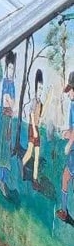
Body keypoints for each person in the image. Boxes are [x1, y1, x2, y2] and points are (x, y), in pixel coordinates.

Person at [0, 52, 16, 197]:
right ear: (6, 68)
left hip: (9, 120)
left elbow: (11, 101)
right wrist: (12, 105)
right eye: (9, 68)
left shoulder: (13, 84)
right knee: (3, 148)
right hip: (5, 118)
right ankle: (1, 180)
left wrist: (12, 105)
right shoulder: (6, 83)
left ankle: (3, 180)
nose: (11, 71)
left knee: (7, 149)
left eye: (13, 69)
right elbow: (7, 99)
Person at [21, 69, 44, 189]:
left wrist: (40, 122)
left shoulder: (41, 102)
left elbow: (39, 117)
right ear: (35, 88)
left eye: (42, 88)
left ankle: (35, 180)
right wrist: (34, 129)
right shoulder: (34, 101)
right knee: (29, 153)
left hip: (37, 129)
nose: (40, 90)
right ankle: (22, 164)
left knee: (37, 156)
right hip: (32, 128)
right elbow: (30, 115)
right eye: (39, 88)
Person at [58, 71, 74, 222]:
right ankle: (64, 210)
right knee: (66, 177)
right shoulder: (72, 105)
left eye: (72, 90)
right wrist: (66, 133)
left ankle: (64, 211)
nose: (70, 93)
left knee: (66, 177)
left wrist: (69, 143)